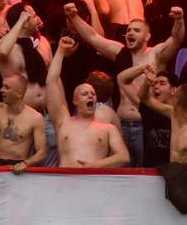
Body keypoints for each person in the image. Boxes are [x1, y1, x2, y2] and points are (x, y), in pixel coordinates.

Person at [66, 2, 184, 166]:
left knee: (145, 171)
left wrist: (179, 20)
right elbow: (92, 37)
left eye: (136, 30)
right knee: (121, 172)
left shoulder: (156, 54)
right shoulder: (120, 52)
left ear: (147, 36)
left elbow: (176, 39)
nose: (130, 33)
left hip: (145, 125)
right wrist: (73, 16)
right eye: (128, 30)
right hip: (121, 124)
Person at [45, 35, 130, 168]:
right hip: (66, 182)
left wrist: (96, 165)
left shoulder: (108, 128)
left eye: (93, 94)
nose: (91, 96)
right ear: (75, 100)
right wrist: (60, 51)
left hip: (94, 182)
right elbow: (51, 82)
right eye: (85, 94)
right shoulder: (63, 121)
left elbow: (123, 156)